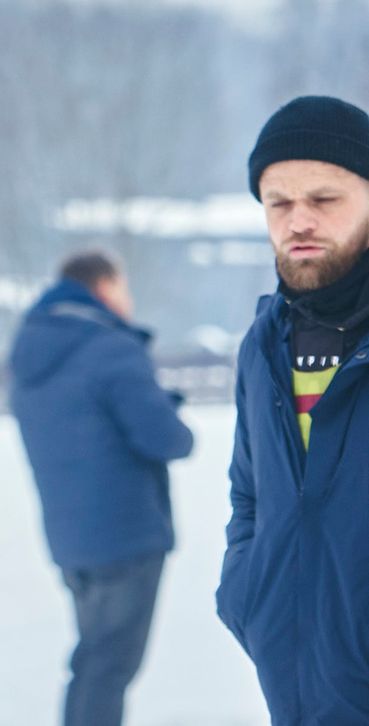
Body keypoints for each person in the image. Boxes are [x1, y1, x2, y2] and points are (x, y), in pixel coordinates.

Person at [219, 93, 369, 722]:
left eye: (324, 199)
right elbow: (249, 496)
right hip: (296, 685)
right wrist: (248, 597)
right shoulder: (262, 345)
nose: (298, 221)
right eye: (278, 203)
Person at [9, 250, 195, 726]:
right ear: (106, 286)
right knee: (109, 667)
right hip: (125, 533)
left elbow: (81, 418)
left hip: (71, 537)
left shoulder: (32, 347)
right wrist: (168, 413)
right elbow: (166, 439)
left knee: (92, 659)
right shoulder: (110, 346)